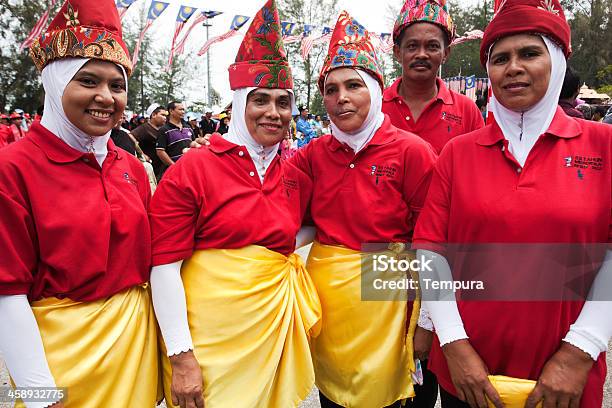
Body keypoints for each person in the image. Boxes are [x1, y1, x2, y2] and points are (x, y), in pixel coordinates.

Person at [412, 0, 612, 406]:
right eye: (500, 58)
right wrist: (453, 344)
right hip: (467, 376)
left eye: (530, 53)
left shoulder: (604, 146)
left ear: (555, 61)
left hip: (562, 381)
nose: (513, 67)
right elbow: (432, 252)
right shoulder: (457, 153)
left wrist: (579, 351)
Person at [149, 1, 321, 407]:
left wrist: (279, 254)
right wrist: (182, 356)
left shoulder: (295, 176)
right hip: (206, 345)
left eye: (283, 102)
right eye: (261, 100)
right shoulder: (192, 170)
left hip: (268, 337)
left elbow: (312, 226)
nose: (273, 113)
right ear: (239, 105)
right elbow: (164, 267)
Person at [0, 1, 159, 407]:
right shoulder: (13, 167)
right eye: (87, 81)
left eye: (117, 85)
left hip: (134, 352)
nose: (105, 97)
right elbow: (7, 291)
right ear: (55, 84)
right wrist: (38, 393)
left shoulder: (132, 168)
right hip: (59, 361)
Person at [290, 11, 437, 408]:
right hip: (330, 310)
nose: (342, 98)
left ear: (375, 89)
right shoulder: (312, 155)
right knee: (333, 396)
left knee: (391, 398)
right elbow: (287, 215)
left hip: (389, 307)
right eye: (332, 89)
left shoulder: (412, 152)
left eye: (354, 85)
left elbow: (433, 242)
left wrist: (426, 324)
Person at [384, 0, 484, 155]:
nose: (422, 54)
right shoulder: (375, 107)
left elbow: (477, 167)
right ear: (397, 52)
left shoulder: (467, 111)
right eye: (412, 46)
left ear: (446, 53)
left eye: (432, 46)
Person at [156, 101, 194, 177]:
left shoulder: (188, 127)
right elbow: (160, 151)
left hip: (190, 169)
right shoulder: (164, 130)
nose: (183, 112)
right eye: (180, 109)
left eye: (183, 110)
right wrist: (174, 166)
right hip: (174, 172)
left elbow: (193, 144)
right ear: (171, 111)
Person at [132, 105, 167, 180]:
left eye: (165, 115)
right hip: (151, 168)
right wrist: (141, 154)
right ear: (154, 115)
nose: (165, 118)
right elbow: (130, 136)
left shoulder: (163, 129)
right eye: (162, 115)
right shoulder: (144, 128)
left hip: (162, 168)